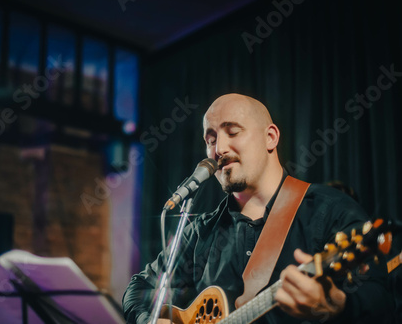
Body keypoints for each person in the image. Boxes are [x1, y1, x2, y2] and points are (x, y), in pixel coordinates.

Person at [122, 93, 392, 323]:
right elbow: (139, 287)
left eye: (233, 132)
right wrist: (148, 319)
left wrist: (336, 305)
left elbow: (380, 303)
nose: (219, 148)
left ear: (271, 138)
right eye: (211, 138)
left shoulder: (329, 210)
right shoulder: (200, 232)